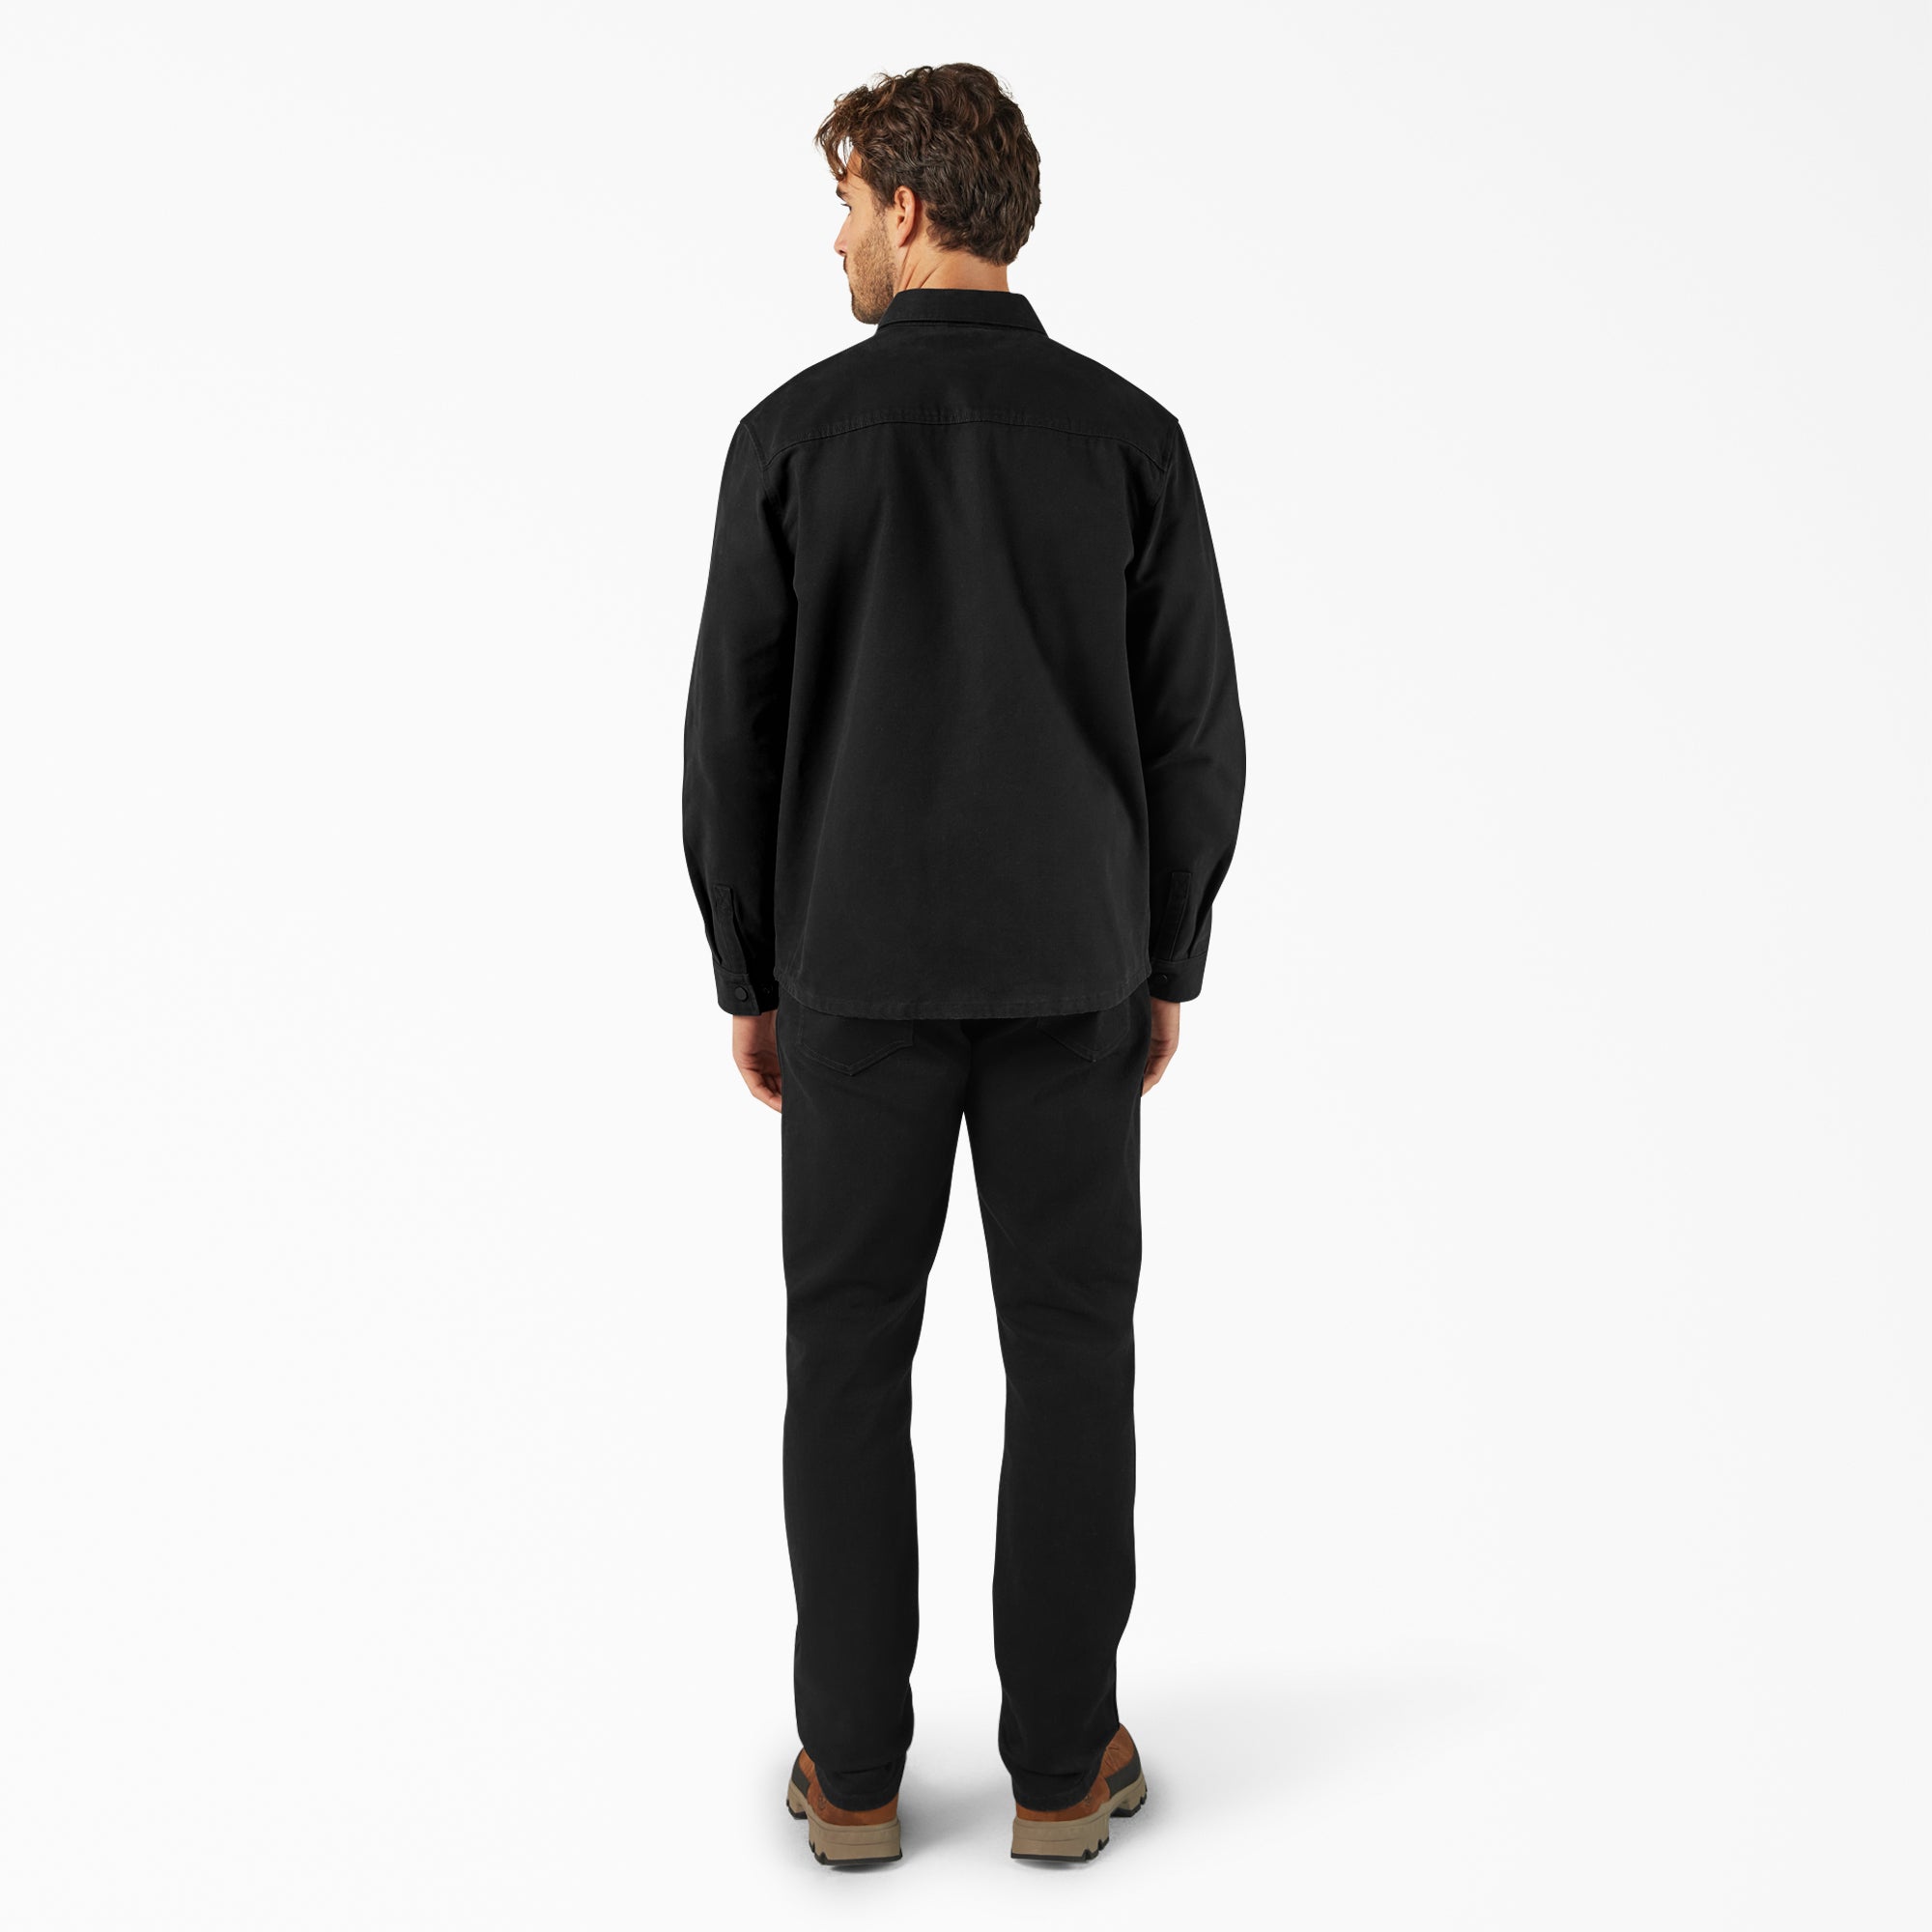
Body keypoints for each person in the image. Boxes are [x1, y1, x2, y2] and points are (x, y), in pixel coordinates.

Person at [681, 61, 1245, 1866]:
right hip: (1073, 972)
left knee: (848, 1356)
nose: (840, 237)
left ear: (912, 206)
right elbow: (1195, 733)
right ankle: (1063, 1770)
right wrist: (1164, 956)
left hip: (853, 973)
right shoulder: (1130, 438)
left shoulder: (791, 439)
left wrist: (750, 972)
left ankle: (852, 1774)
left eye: (849, 202)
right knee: (1072, 1353)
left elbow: (730, 738)